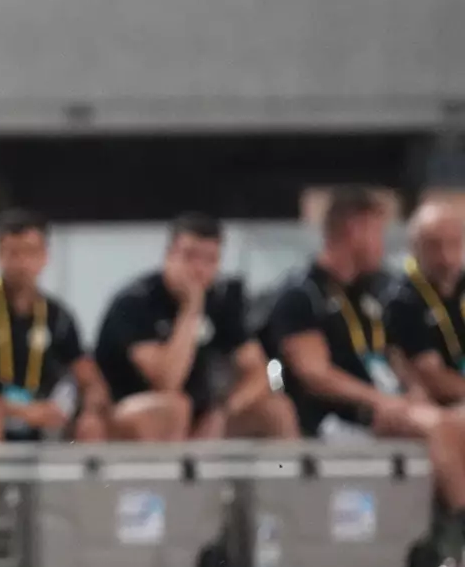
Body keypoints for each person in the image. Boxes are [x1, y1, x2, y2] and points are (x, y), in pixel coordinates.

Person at [263, 187, 465, 541]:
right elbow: (314, 374)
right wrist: (381, 401)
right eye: (377, 232)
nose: (383, 244)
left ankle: (438, 537)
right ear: (354, 230)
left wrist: (413, 392)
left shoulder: (371, 292)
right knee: (440, 426)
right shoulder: (302, 294)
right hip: (337, 420)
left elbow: (392, 357)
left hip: (385, 408)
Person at [95, 212, 298, 441]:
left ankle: (284, 475)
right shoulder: (135, 302)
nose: (199, 269)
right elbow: (167, 381)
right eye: (190, 257)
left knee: (277, 408)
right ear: (169, 255)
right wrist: (191, 308)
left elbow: (259, 372)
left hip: (199, 411)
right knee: (174, 407)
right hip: (128, 411)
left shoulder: (219, 301)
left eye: (210, 260)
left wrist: (224, 411)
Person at [0, 208, 109, 445]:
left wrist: (91, 412)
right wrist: (23, 411)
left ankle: (80, 483)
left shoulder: (57, 317)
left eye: (30, 252)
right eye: (13, 253)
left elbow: (91, 381)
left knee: (93, 426)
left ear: (45, 256)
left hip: (42, 419)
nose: (22, 263)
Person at [384, 202, 465, 407]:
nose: (446, 258)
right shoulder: (403, 299)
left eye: (453, 244)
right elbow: (434, 379)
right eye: (434, 246)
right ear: (414, 248)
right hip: (443, 406)